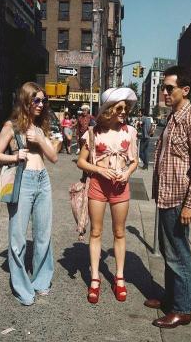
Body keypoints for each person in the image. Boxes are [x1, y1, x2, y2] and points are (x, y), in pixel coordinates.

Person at [144, 66, 191, 328]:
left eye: (169, 88)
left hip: (179, 199)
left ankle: (182, 310)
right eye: (163, 87)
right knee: (168, 251)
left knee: (178, 255)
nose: (164, 92)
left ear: (185, 90)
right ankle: (171, 298)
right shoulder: (173, 116)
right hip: (166, 196)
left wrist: (190, 205)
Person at [0, 82, 58, 306]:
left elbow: (54, 157)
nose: (41, 105)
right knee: (18, 237)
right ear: (25, 101)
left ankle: (41, 281)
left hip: (43, 181)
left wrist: (40, 138)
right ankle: (22, 287)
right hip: (23, 182)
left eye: (43, 100)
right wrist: (15, 156)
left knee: (43, 235)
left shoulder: (40, 127)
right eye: (36, 100)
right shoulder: (11, 126)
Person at [77, 87, 138, 304]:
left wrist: (127, 173)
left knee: (119, 232)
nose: (124, 111)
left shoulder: (130, 131)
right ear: (109, 109)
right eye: (120, 108)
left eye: (126, 108)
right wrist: (100, 170)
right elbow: (81, 161)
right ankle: (95, 279)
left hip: (121, 187)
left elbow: (135, 161)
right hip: (97, 187)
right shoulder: (93, 133)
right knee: (95, 232)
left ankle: (119, 279)